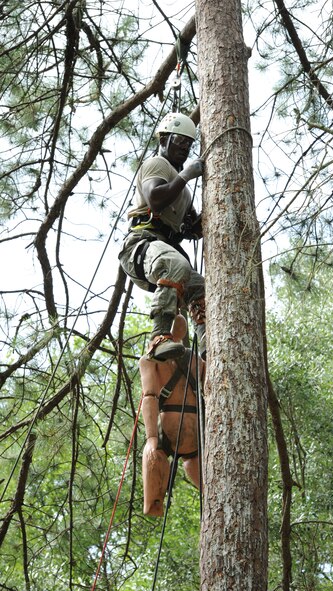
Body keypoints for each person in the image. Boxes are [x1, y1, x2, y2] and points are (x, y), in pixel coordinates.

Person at [119, 112, 206, 361]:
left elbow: (190, 228)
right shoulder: (158, 165)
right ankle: (159, 337)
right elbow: (156, 199)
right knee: (176, 263)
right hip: (141, 244)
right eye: (180, 140)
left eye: (189, 144)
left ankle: (209, 349)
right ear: (165, 139)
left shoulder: (184, 193)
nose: (185, 147)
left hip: (162, 250)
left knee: (200, 287)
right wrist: (186, 175)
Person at [139, 315, 205, 517]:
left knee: (210, 490)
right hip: (175, 437)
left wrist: (151, 438)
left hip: (193, 443)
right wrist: (152, 438)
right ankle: (153, 502)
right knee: (152, 504)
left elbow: (149, 397)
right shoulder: (152, 360)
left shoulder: (194, 360)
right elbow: (149, 397)